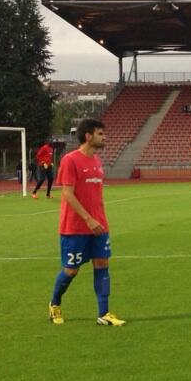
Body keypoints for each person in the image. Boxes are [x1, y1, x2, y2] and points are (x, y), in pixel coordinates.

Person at [48, 119, 124, 326]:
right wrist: (88, 219)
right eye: (100, 133)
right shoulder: (70, 160)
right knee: (71, 270)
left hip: (99, 225)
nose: (104, 136)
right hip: (75, 227)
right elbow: (67, 194)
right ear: (88, 136)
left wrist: (98, 219)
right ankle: (54, 303)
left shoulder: (97, 161)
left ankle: (104, 313)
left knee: (102, 264)